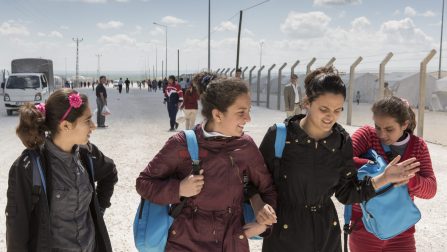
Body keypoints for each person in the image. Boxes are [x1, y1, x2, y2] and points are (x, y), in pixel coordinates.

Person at [258, 66, 420, 252]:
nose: (331, 117)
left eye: (337, 110)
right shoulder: (279, 136)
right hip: (284, 234)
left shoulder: (342, 141)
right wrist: (258, 204)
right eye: (324, 109)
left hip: (326, 234)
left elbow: (346, 193)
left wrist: (385, 178)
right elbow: (254, 180)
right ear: (307, 103)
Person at [136, 75, 276, 251]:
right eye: (241, 112)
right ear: (217, 114)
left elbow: (268, 189)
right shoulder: (181, 143)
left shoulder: (246, 146)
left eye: (249, 110)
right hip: (184, 244)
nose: (248, 118)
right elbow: (144, 183)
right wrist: (178, 189)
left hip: (231, 243)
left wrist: (263, 225)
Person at [6, 88, 118, 251]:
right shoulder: (28, 167)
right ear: (66, 125)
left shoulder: (87, 153)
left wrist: (98, 209)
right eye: (88, 120)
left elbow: (110, 172)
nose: (93, 126)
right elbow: (17, 233)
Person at [349, 96, 437, 252]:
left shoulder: (417, 146)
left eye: (389, 129)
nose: (382, 134)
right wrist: (379, 169)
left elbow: (431, 189)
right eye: (378, 127)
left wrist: (408, 178)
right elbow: (341, 161)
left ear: (404, 124)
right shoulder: (367, 135)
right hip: (365, 226)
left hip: (402, 231)